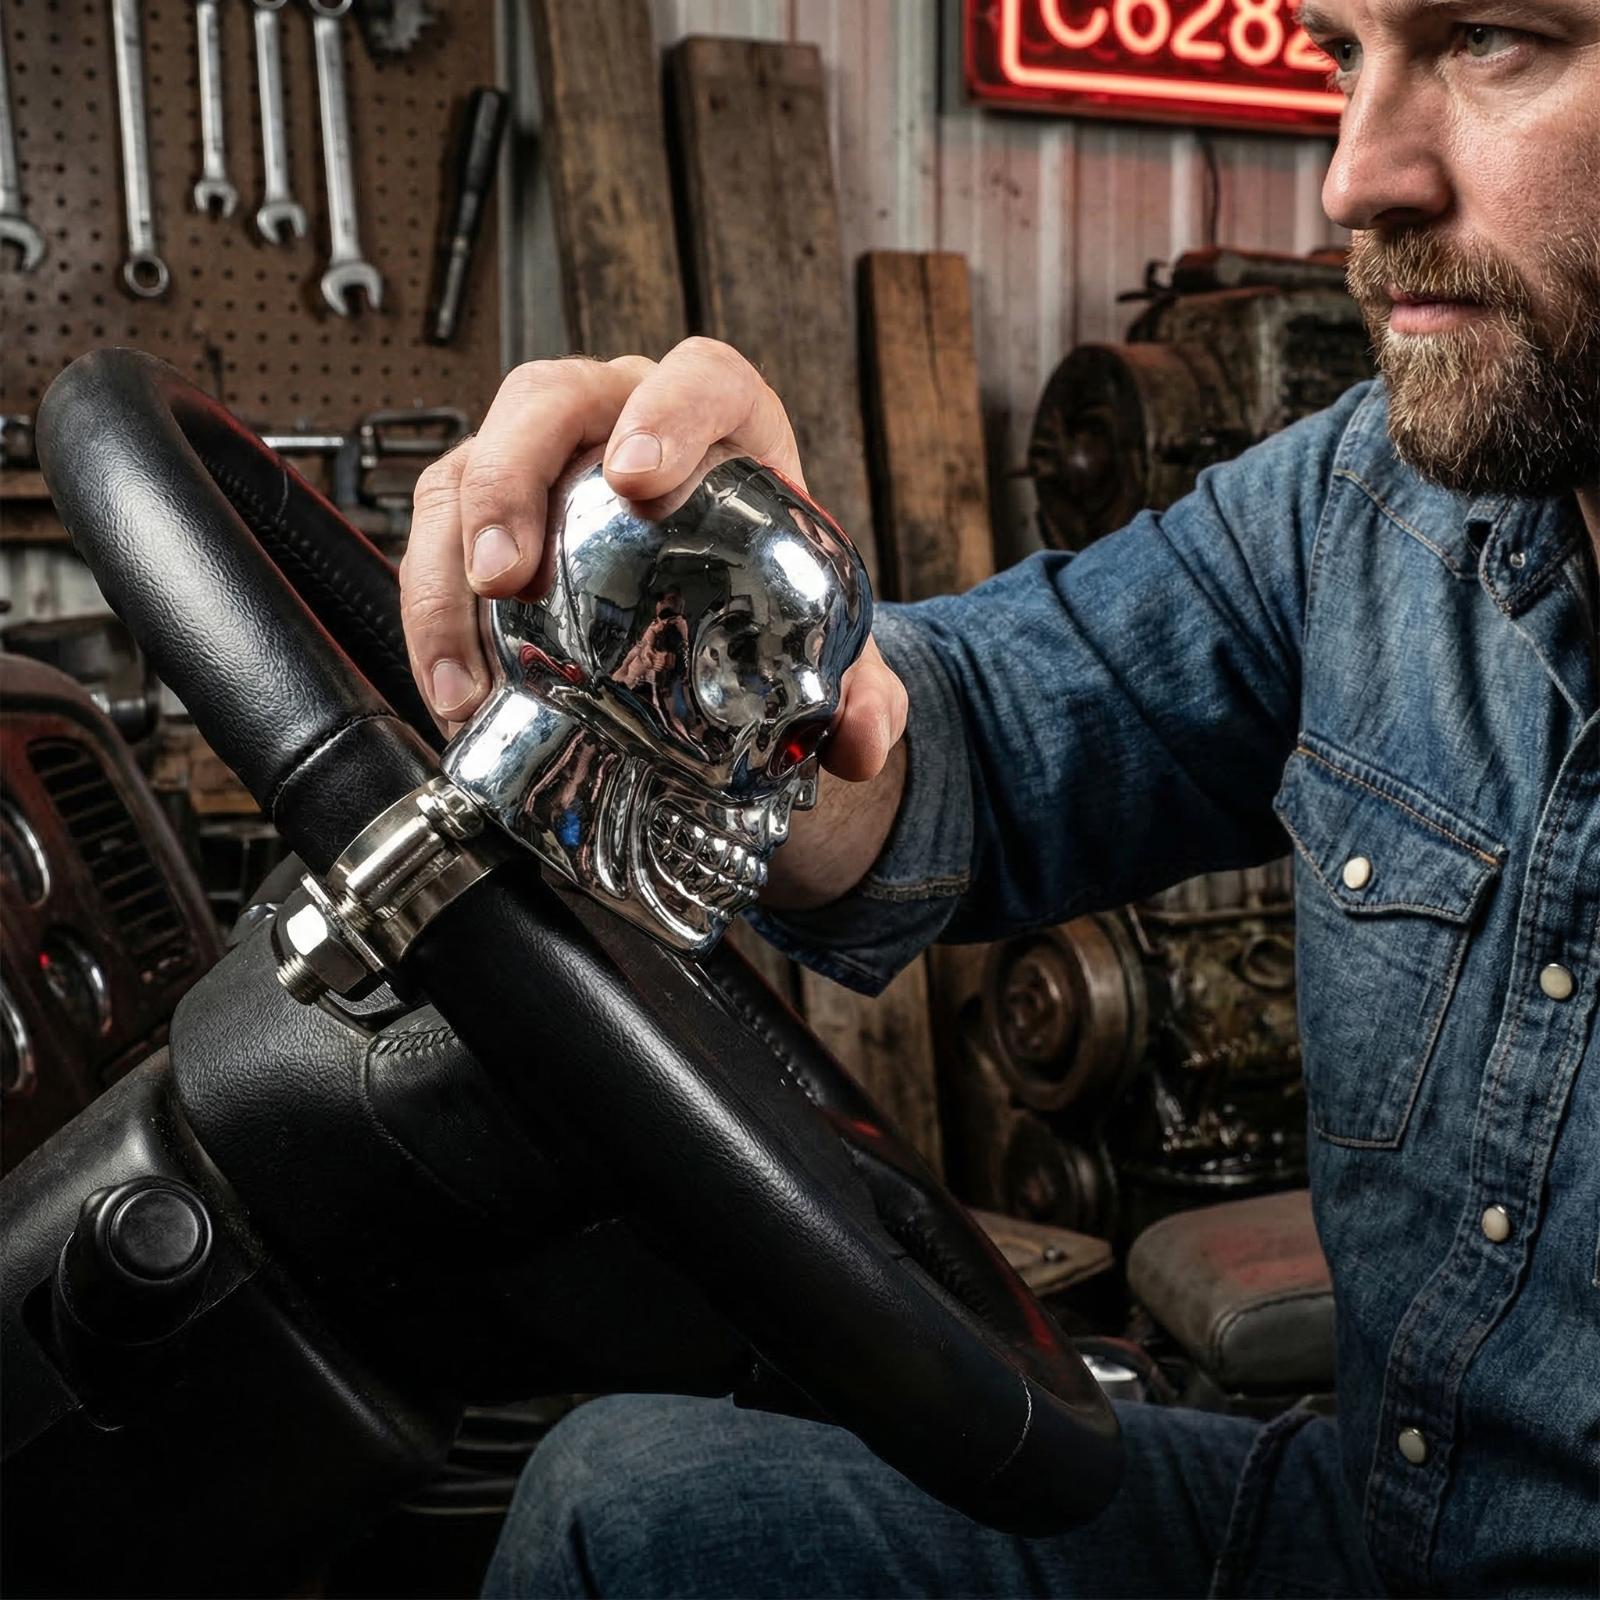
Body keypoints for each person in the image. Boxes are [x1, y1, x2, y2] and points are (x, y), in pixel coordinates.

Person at [398, 0, 1600, 1588]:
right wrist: (730, 621)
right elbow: (970, 740)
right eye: (1339, 55)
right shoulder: (1365, 505)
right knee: (626, 1512)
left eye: (1494, 38)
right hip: (1380, 1529)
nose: (1356, 176)